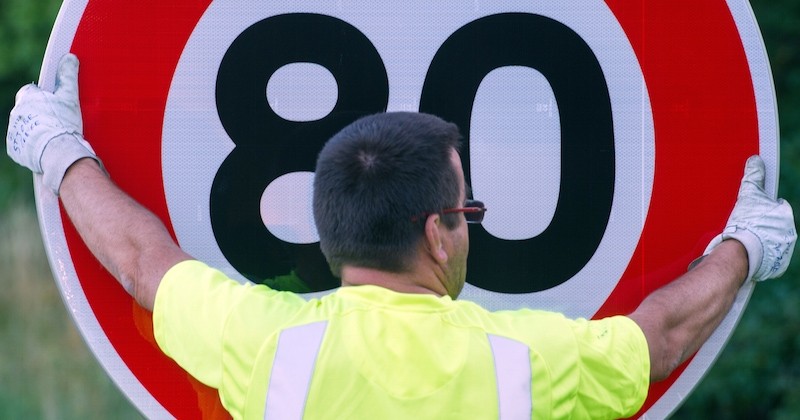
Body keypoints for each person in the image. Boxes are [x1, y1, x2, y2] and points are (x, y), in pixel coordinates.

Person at [6, 54, 796, 419]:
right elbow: (658, 339)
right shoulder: (522, 364)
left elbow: (144, 262)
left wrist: (59, 152)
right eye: (469, 210)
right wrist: (744, 247)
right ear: (438, 233)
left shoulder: (264, 344)